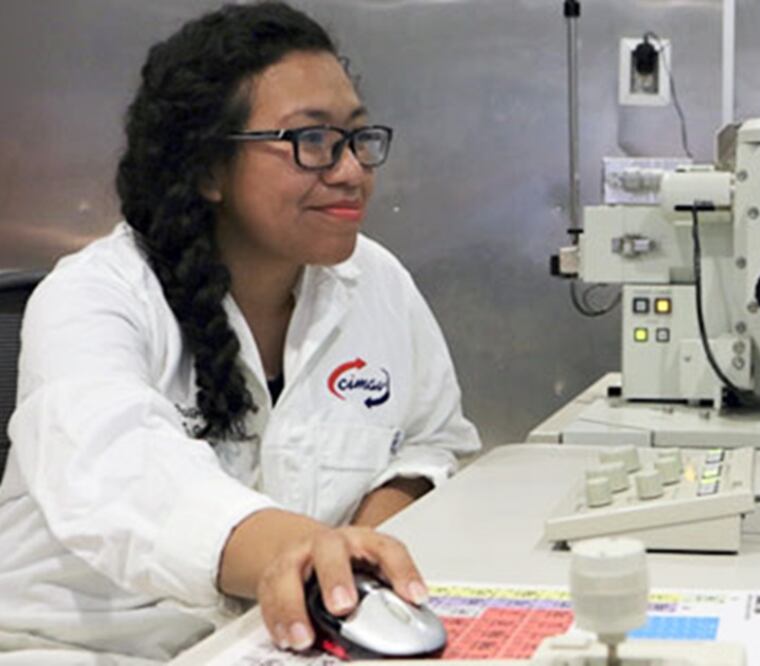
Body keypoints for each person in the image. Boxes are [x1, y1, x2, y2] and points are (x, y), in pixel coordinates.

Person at [0, 2, 481, 663]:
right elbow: (117, 471)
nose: (350, 171)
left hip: (281, 638)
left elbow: (429, 442)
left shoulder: (375, 281)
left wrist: (358, 560)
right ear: (206, 169)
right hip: (83, 649)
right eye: (310, 142)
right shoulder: (95, 296)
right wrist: (304, 552)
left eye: (358, 138)